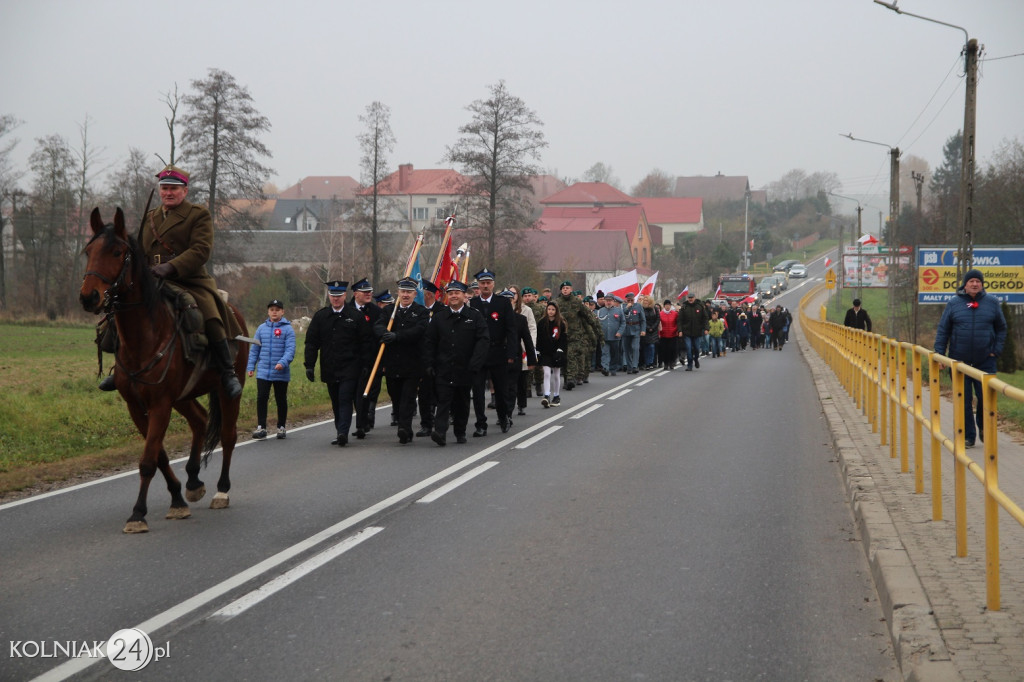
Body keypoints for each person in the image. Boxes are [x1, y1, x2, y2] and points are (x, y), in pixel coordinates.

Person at [101, 164, 244, 396]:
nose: (168, 192)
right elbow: (141, 252)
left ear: (185, 191)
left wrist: (170, 267)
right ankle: (121, 367)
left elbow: (201, 250)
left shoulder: (198, 215)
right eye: (165, 188)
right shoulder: (151, 217)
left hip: (190, 280)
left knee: (210, 314)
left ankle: (227, 372)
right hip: (153, 280)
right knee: (123, 309)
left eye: (174, 189)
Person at [934, 269, 1007, 448]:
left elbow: (1001, 329)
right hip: (959, 362)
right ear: (965, 285)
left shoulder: (992, 303)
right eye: (971, 281)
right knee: (963, 400)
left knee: (986, 398)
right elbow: (943, 330)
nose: (975, 284)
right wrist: (939, 355)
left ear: (982, 285)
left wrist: (995, 351)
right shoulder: (954, 304)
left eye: (978, 281)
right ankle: (968, 435)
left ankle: (984, 427)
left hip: (985, 361)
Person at [304, 281, 373, 447]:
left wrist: (366, 365)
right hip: (330, 366)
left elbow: (366, 342)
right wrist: (309, 365)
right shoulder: (321, 316)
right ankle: (339, 430)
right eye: (333, 296)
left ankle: (343, 432)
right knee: (336, 401)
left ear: (345, 296)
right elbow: (312, 343)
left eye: (339, 296)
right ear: (329, 296)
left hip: (351, 367)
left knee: (345, 399)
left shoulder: (355, 316)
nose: (336, 299)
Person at [423, 280, 489, 446]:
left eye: (457, 293)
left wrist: (475, 363)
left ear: (463, 295)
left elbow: (483, 340)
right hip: (444, 367)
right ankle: (440, 432)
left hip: (465, 368)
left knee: (462, 401)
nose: (453, 296)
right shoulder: (439, 318)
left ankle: (460, 431)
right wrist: (429, 364)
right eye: (450, 293)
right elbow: (430, 342)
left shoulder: (474, 316)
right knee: (443, 400)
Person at [375, 277, 429, 444]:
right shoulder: (389, 311)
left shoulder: (421, 311)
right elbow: (377, 326)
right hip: (392, 363)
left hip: (412, 363)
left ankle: (404, 429)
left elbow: (420, 330)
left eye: (409, 292)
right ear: (397, 293)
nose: (405, 295)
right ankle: (401, 421)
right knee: (396, 396)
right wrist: (384, 333)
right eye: (403, 292)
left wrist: (397, 336)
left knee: (408, 397)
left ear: (415, 294)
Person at [469, 268, 518, 436]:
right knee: (477, 392)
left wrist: (512, 354)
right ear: (478, 285)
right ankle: (480, 424)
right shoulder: (472, 304)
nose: (485, 286)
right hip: (478, 353)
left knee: (501, 390)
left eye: (488, 283)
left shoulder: (502, 303)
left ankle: (503, 417)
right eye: (482, 283)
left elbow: (511, 330)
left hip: (498, 351)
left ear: (493, 284)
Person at [247, 299, 296, 440]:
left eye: (277, 309)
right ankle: (261, 427)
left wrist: (283, 362)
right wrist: (251, 366)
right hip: (263, 371)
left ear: (282, 311)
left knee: (281, 399)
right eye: (272, 310)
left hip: (280, 371)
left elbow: (290, 350)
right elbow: (254, 349)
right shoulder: (261, 328)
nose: (274, 312)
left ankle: (281, 427)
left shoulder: (288, 329)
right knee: (262, 398)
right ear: (268, 312)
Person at [348, 278, 380, 437]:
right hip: (349, 359)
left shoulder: (375, 311)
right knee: (352, 393)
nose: (369, 294)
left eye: (370, 292)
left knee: (365, 392)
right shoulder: (346, 310)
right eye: (365, 292)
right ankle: (359, 421)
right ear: (355, 294)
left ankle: (362, 424)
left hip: (370, 359)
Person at [415, 279, 444, 438]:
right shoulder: (418, 311)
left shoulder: (442, 310)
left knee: (441, 392)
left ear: (428, 294)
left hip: (440, 358)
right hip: (423, 358)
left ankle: (441, 422)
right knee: (424, 394)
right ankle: (426, 424)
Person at [536, 301, 568, 407]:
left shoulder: (561, 323)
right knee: (546, 373)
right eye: (549, 309)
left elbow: (563, 339)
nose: (550, 311)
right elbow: (539, 338)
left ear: (556, 311)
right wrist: (538, 350)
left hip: (556, 352)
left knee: (556, 374)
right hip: (545, 352)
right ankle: (546, 395)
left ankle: (556, 396)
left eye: (553, 309)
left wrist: (561, 350)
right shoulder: (541, 322)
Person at [677, 292, 708, 370]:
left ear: (694, 298)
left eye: (692, 297)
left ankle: (696, 359)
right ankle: (689, 365)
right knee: (689, 349)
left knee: (697, 348)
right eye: (689, 298)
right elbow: (679, 320)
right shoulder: (684, 307)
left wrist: (706, 328)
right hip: (686, 332)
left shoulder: (700, 306)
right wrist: (680, 330)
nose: (690, 299)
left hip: (697, 332)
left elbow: (705, 318)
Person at [597, 293, 625, 375]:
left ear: (613, 301)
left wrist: (620, 332)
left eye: (610, 301)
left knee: (614, 353)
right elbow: (597, 324)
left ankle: (613, 368)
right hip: (604, 336)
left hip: (615, 336)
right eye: (607, 301)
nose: (608, 302)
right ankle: (605, 368)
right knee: (605, 353)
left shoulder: (619, 311)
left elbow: (623, 323)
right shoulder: (600, 311)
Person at [620, 291, 647, 374]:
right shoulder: (623, 306)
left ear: (634, 299)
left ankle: (635, 365)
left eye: (631, 300)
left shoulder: (638, 306)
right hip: (626, 330)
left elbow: (642, 319)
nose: (630, 302)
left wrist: (643, 330)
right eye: (629, 300)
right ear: (626, 300)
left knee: (635, 348)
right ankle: (629, 366)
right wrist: (627, 307)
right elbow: (622, 315)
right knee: (627, 349)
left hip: (636, 329)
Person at [640, 295, 660, 370]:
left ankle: (651, 362)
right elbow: (642, 319)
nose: (645, 301)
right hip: (645, 330)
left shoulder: (655, 309)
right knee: (646, 347)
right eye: (644, 300)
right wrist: (647, 328)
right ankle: (647, 363)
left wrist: (653, 327)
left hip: (653, 331)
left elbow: (658, 319)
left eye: (647, 300)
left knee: (651, 347)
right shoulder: (642, 309)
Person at [658, 299, 679, 370]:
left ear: (670, 306)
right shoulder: (660, 314)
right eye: (666, 305)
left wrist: (676, 330)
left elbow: (677, 323)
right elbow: (658, 324)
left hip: (673, 334)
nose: (667, 306)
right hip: (663, 334)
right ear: (664, 306)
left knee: (672, 349)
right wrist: (659, 332)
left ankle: (671, 362)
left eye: (669, 305)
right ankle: (666, 363)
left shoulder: (675, 314)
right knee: (664, 350)